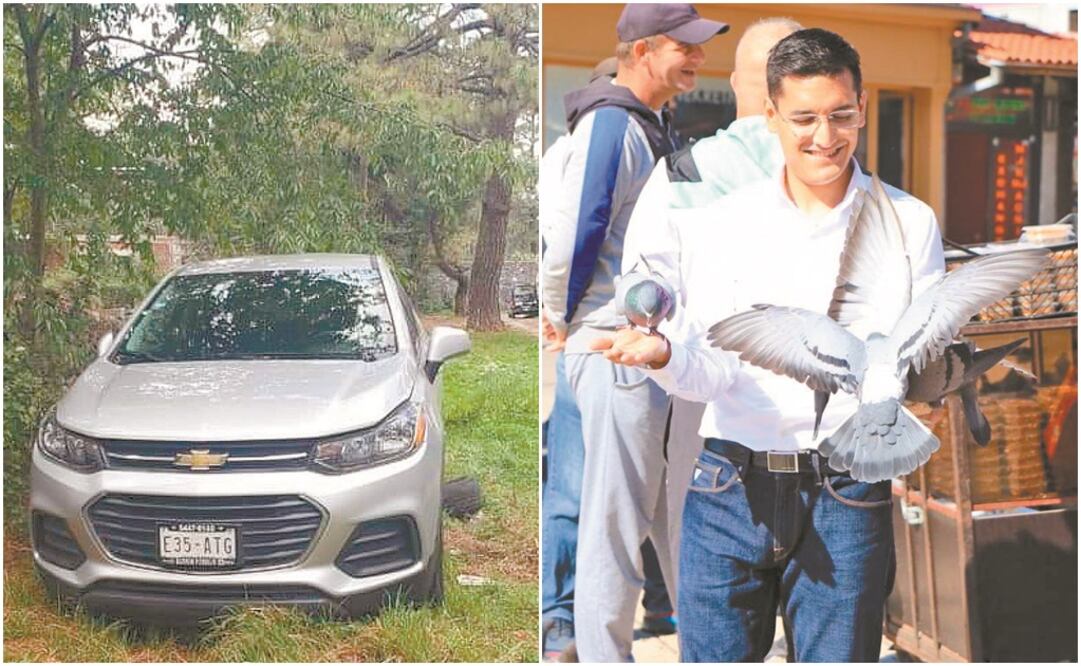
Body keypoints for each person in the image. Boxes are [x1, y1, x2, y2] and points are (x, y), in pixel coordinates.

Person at [592, 28, 946, 662]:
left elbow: (916, 359)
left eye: (841, 115)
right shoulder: (729, 225)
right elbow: (713, 375)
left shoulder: (909, 223)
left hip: (847, 492)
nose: (825, 136)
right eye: (805, 118)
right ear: (771, 117)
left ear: (862, 107)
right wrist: (666, 358)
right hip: (730, 485)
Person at [540, 4, 728, 661]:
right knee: (616, 520)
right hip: (613, 342)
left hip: (644, 347)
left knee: (659, 514)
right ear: (643, 50)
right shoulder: (612, 123)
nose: (699, 59)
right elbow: (576, 230)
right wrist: (560, 318)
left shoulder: (645, 122)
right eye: (686, 47)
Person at [622, 16, 801, 604]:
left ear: (733, 83)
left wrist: (650, 316)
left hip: (703, 391)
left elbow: (646, 286)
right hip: (812, 399)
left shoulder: (685, 171)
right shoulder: (831, 172)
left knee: (702, 557)